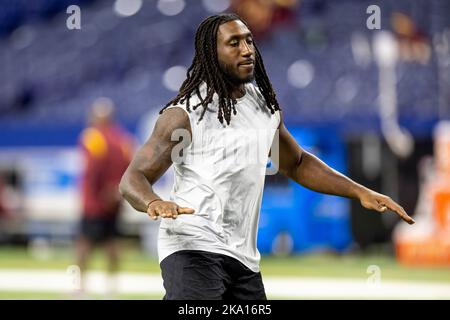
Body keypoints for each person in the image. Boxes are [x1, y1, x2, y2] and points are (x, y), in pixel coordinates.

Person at [119, 13, 415, 300]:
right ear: (212, 52)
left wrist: (359, 191)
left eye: (249, 41)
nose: (247, 50)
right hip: (192, 245)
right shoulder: (184, 113)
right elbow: (134, 177)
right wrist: (153, 202)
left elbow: (296, 163)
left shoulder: (262, 105)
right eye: (234, 43)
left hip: (243, 256)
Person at [76, 97, 133, 297]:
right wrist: (118, 192)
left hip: (93, 202)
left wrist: (93, 197)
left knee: (84, 243)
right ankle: (112, 286)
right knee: (112, 242)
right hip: (115, 200)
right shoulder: (124, 139)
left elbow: (90, 171)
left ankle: (80, 286)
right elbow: (130, 169)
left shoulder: (93, 138)